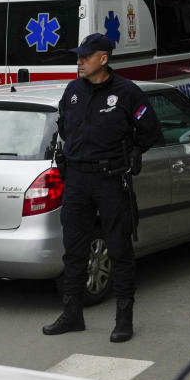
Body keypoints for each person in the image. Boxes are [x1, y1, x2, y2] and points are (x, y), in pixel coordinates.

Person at [42, 33, 159, 343]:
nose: (78, 61)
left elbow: (150, 130)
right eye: (78, 56)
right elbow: (64, 128)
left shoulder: (126, 93)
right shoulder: (73, 90)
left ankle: (124, 318)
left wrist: (133, 152)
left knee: (119, 248)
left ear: (103, 59)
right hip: (77, 180)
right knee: (74, 250)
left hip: (110, 178)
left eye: (85, 56)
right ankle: (72, 314)